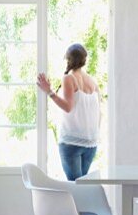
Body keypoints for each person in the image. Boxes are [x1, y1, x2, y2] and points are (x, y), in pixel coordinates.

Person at [37, 43, 101, 180]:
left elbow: (68, 107)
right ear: (84, 59)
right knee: (81, 187)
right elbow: (98, 112)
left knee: (75, 187)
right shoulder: (92, 81)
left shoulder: (68, 78)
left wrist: (49, 91)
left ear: (68, 59)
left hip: (72, 142)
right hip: (91, 143)